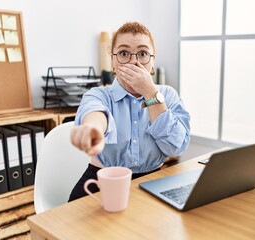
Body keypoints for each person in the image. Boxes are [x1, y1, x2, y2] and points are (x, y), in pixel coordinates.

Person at [68, 21, 191, 201]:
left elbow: (176, 147)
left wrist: (150, 92)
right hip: (102, 181)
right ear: (112, 60)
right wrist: (93, 129)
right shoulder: (99, 95)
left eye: (142, 54)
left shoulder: (167, 95)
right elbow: (95, 114)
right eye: (124, 53)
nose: (134, 61)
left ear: (153, 61)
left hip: (153, 180)